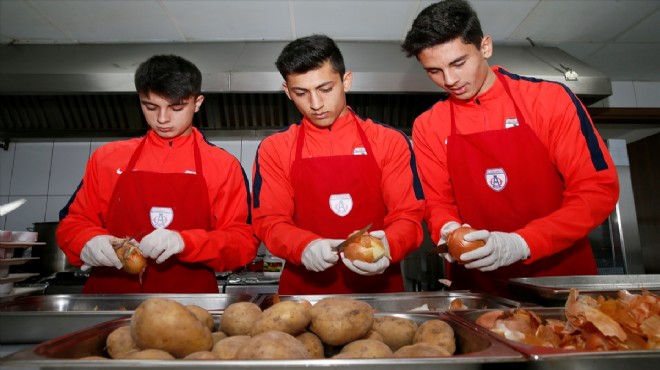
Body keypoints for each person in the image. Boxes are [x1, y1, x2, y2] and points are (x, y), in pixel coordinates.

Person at [402, 0, 619, 296]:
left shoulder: (549, 100)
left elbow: (596, 189)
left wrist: (523, 243)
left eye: (458, 63)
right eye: (434, 71)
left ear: (485, 47)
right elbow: (438, 203)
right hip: (479, 289)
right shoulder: (429, 125)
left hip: (560, 282)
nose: (449, 80)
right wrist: (448, 230)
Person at [56, 54, 259, 294]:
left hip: (190, 304)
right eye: (150, 107)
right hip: (109, 301)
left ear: (198, 102)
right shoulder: (107, 158)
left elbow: (242, 243)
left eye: (176, 108)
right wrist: (87, 241)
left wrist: (185, 242)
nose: (162, 119)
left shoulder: (223, 165)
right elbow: (73, 223)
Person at [252, 35, 425, 294]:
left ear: (346, 81)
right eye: (301, 93)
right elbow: (270, 221)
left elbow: (408, 215)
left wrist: (390, 245)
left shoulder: (389, 141)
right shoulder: (275, 148)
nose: (316, 104)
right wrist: (304, 246)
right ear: (287, 92)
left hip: (379, 293)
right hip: (304, 295)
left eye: (325, 89)